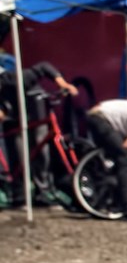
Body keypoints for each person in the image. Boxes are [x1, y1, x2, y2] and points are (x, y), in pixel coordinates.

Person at [0, 61, 79, 205]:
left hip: (36, 106)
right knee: (20, 154)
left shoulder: (17, 78)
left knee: (41, 148)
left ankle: (44, 189)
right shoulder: (4, 90)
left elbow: (44, 67)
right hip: (15, 116)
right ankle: (22, 193)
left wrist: (62, 84)